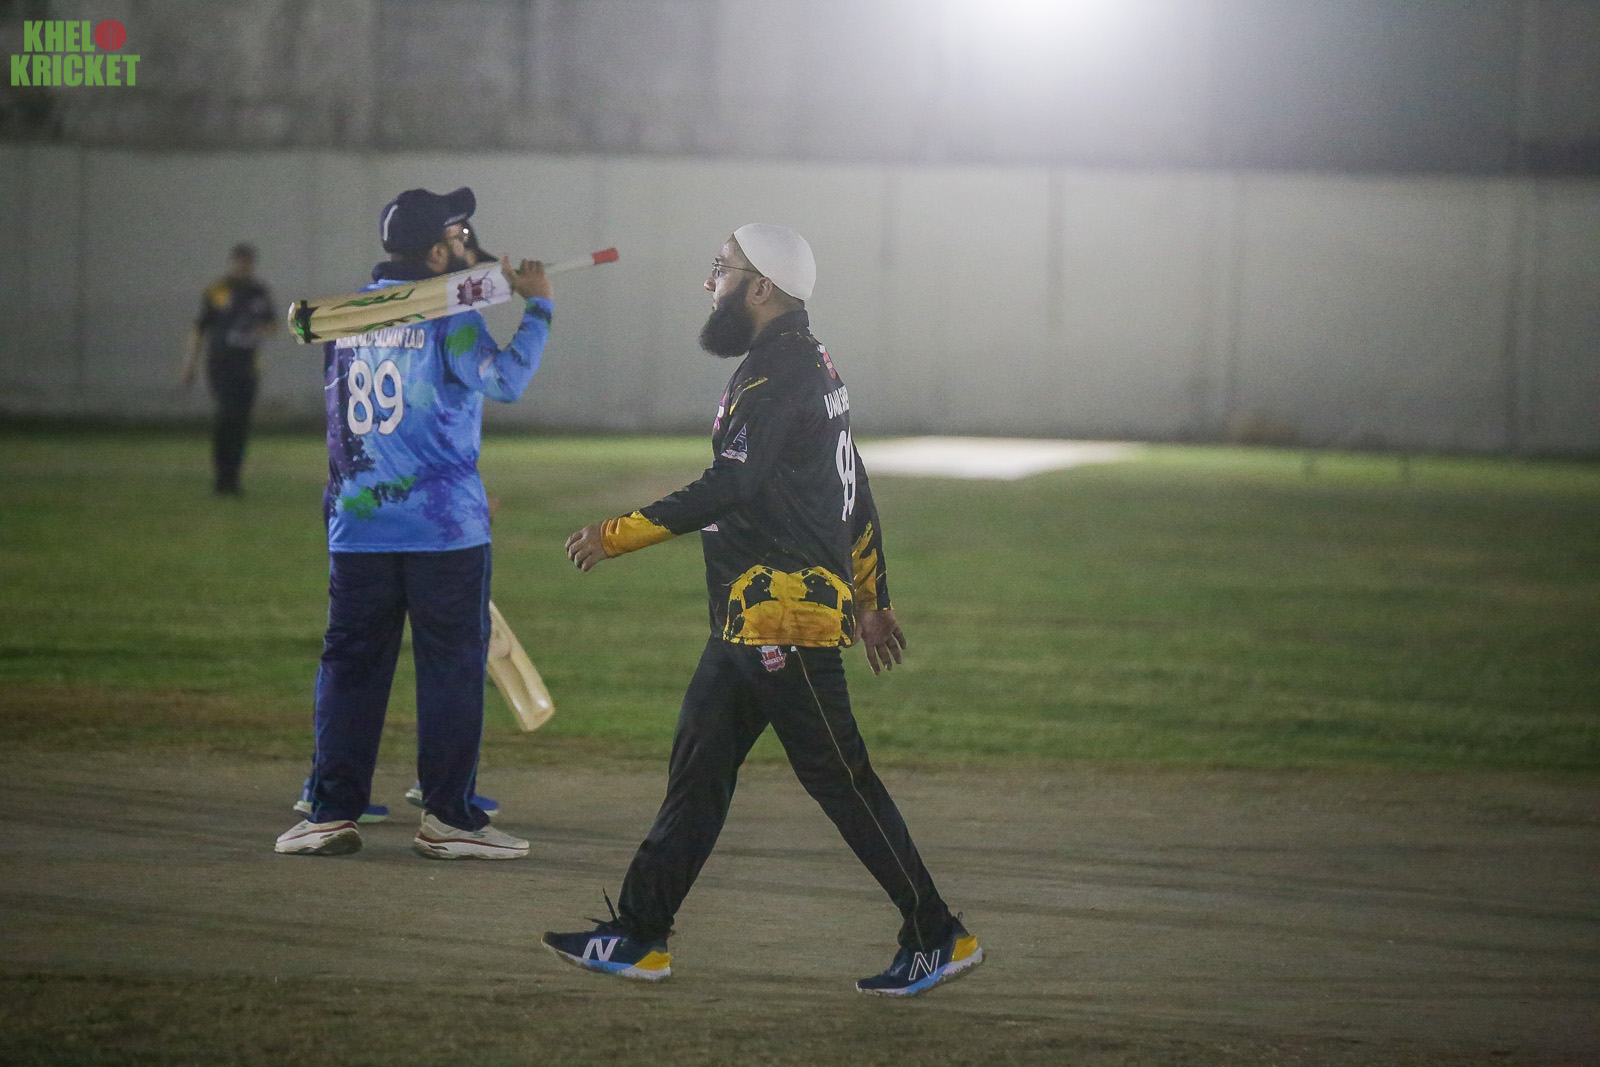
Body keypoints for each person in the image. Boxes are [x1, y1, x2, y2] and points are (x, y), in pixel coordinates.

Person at [543, 224, 982, 996]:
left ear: (761, 288)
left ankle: (936, 932)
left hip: (786, 618)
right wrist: (873, 596)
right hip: (748, 619)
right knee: (697, 774)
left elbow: (733, 485)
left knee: (842, 779)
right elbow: (853, 480)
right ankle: (640, 933)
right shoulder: (808, 361)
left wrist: (618, 535)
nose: (709, 281)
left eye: (722, 269)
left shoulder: (780, 372)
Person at [275, 187, 553, 861]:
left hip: (358, 524)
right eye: (458, 238)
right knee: (451, 669)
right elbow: (506, 380)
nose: (466, 246)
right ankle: (448, 816)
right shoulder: (448, 317)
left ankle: (330, 811)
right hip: (442, 530)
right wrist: (539, 306)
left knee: (350, 667)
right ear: (434, 254)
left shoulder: (344, 317)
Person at [181, 243, 276, 495]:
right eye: (240, 262)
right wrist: (190, 364)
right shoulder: (217, 291)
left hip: (248, 366)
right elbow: (199, 329)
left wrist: (255, 329)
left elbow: (272, 326)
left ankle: (233, 478)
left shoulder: (259, 292)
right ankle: (221, 476)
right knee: (227, 416)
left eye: (248, 262)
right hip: (221, 365)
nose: (244, 267)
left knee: (241, 422)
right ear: (233, 263)